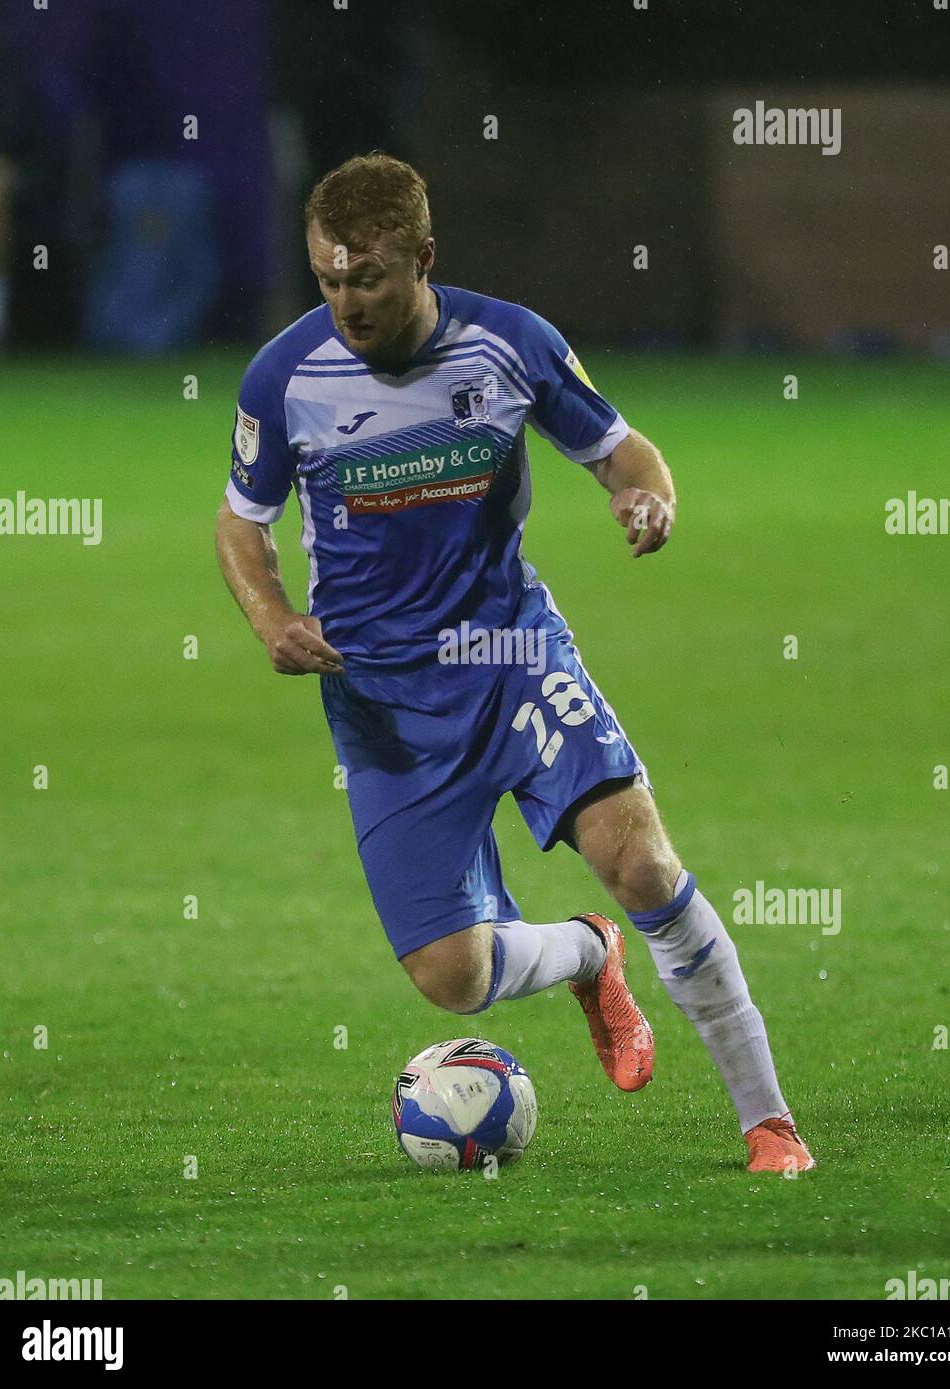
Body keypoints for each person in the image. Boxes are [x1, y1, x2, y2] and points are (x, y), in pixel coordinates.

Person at [215, 152, 813, 1174]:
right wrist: (270, 615)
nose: (346, 302)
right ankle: (587, 952)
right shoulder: (284, 378)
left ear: (423, 259)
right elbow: (241, 524)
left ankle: (767, 1121)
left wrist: (643, 497)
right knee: (449, 974)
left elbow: (623, 451)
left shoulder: (507, 342)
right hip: (382, 700)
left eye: (368, 278)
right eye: (327, 278)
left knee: (640, 860)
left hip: (511, 655)